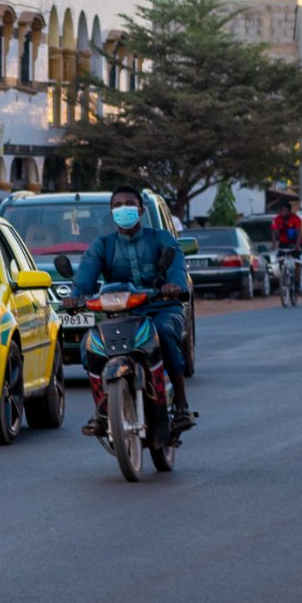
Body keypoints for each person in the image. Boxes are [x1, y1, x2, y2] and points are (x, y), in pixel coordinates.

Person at [67, 186, 194, 436]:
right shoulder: (102, 246)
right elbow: (84, 280)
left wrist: (174, 286)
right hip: (119, 314)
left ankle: (181, 406)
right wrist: (74, 298)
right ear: (111, 212)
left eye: (129, 203)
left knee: (163, 335)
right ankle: (103, 411)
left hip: (162, 308)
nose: (123, 208)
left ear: (140, 210)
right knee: (89, 346)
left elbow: (177, 268)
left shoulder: (161, 239)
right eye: (118, 205)